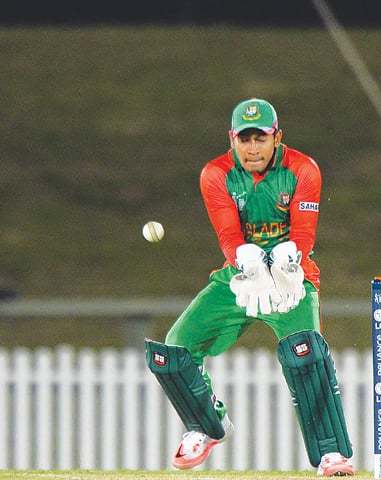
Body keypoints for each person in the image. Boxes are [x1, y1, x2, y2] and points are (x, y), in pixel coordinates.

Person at [145, 98, 354, 476]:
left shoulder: (303, 169)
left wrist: (291, 258)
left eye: (261, 138)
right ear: (232, 139)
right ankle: (207, 426)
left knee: (305, 355)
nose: (253, 148)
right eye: (245, 140)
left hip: (291, 276)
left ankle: (331, 454)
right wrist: (246, 259)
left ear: (278, 138)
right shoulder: (216, 174)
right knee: (173, 351)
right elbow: (228, 234)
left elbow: (304, 234)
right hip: (241, 275)